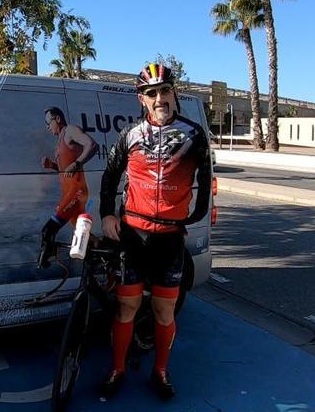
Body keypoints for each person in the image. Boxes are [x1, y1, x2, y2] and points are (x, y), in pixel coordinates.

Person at [98, 63, 211, 400]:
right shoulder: (130, 136)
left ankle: (160, 371)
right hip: (133, 236)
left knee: (164, 311)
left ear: (173, 93)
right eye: (151, 93)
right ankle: (117, 369)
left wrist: (194, 217)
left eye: (164, 90)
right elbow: (109, 176)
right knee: (126, 307)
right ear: (141, 99)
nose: (159, 98)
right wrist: (107, 215)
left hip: (170, 240)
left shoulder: (193, 134)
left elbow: (205, 176)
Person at [37, 106, 99, 268]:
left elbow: (92, 145)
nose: (47, 127)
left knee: (48, 231)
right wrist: (52, 165)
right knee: (85, 238)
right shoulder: (60, 141)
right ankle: (108, 260)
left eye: (48, 123)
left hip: (76, 193)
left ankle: (43, 266)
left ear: (57, 118)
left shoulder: (70, 130)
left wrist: (77, 163)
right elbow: (66, 170)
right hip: (68, 194)